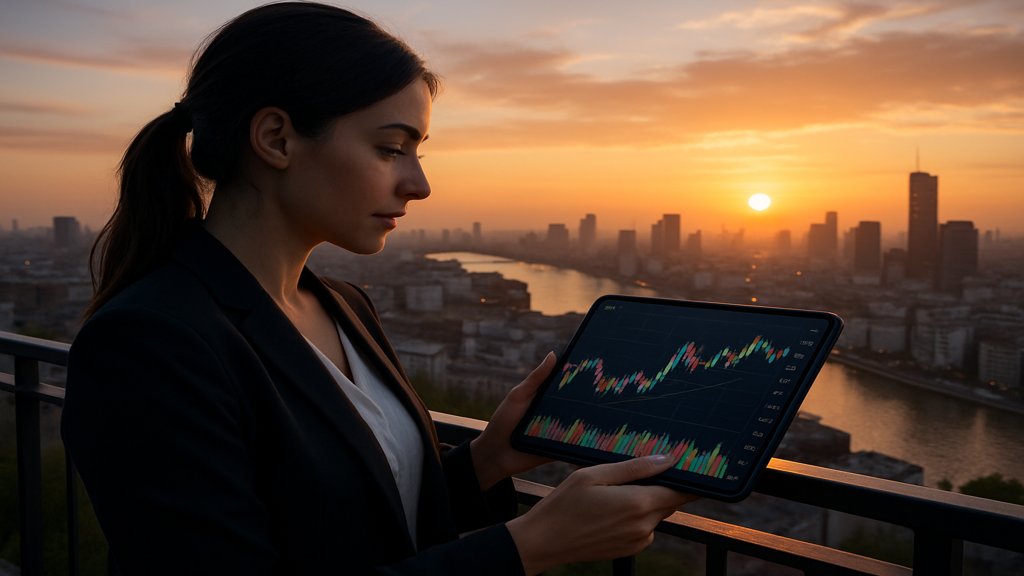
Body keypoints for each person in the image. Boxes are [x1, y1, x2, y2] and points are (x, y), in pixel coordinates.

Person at [61, 3, 695, 575]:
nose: (418, 185)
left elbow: (354, 518)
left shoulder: (341, 305)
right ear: (276, 139)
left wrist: (489, 460)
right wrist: (527, 546)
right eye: (391, 148)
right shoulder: (150, 341)